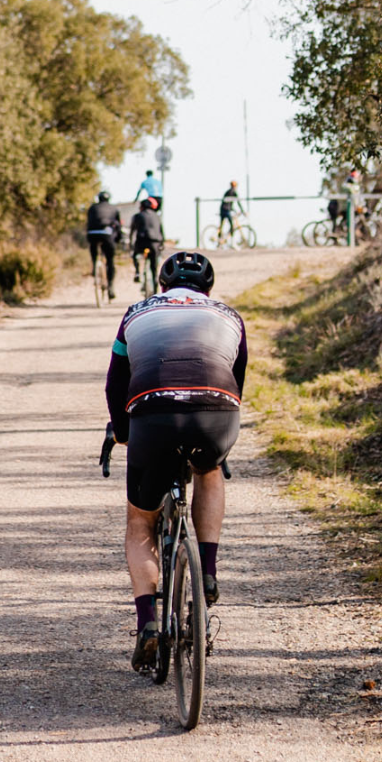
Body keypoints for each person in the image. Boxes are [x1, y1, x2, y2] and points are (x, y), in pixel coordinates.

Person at [104, 251, 246, 671]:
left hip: (151, 412)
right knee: (210, 469)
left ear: (162, 286)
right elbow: (237, 379)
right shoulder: (230, 315)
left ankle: (148, 622)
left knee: (140, 520)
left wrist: (123, 431)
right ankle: (208, 569)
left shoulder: (136, 312)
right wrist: (219, 446)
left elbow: (116, 381)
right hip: (216, 411)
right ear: (209, 288)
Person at [85, 189, 121, 295]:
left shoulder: (92, 208)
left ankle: (94, 265)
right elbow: (118, 225)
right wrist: (118, 239)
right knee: (110, 261)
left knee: (93, 247)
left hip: (92, 234)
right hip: (107, 235)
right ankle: (111, 287)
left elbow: (89, 222)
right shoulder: (114, 209)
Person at [129, 195, 164, 285]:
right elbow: (161, 232)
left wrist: (130, 244)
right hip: (155, 243)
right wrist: (162, 244)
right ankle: (155, 280)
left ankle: (137, 272)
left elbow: (132, 231)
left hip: (142, 242)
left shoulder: (137, 216)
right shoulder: (157, 216)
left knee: (135, 255)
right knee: (154, 266)